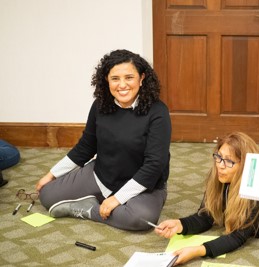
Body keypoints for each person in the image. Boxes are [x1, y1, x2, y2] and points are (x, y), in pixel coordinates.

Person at [36, 49, 171, 231]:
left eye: (129, 77)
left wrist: (117, 199)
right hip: (102, 175)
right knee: (46, 195)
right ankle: (103, 202)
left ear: (142, 78)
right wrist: (51, 174)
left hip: (145, 185)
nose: (122, 85)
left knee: (140, 219)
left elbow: (155, 164)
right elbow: (86, 146)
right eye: (115, 78)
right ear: (106, 80)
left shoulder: (158, 112)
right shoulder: (100, 104)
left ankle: (90, 210)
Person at [155, 132, 259, 266]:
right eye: (218, 157)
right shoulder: (218, 176)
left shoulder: (255, 192)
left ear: (245, 165)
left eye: (229, 161)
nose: (220, 165)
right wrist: (180, 224)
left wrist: (196, 251)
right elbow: (206, 216)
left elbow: (238, 236)